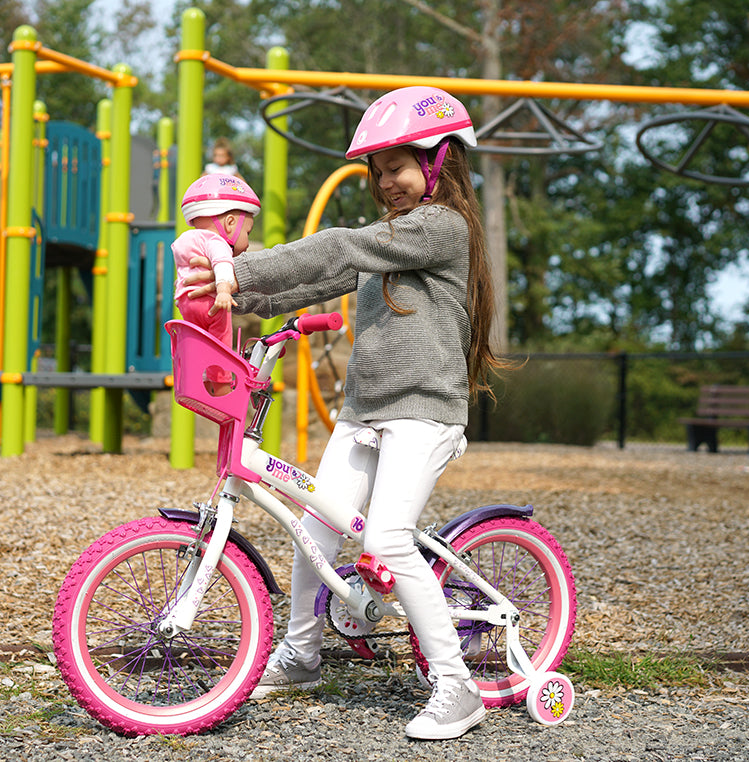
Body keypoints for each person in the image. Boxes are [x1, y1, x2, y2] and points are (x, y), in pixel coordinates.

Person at [182, 86, 503, 740]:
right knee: (315, 530)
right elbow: (309, 283)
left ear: (439, 161)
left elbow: (340, 248)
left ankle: (456, 686)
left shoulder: (441, 228)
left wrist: (240, 274)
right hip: (364, 412)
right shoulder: (390, 241)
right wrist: (226, 293)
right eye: (378, 172)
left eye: (399, 168)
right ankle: (301, 654)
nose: (387, 182)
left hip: (422, 413)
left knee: (384, 538)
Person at [172, 173, 261, 367]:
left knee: (196, 340)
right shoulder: (216, 241)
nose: (246, 243)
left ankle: (194, 375)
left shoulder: (184, 240)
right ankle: (220, 383)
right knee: (221, 340)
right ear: (230, 223)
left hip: (186, 302)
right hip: (211, 302)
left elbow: (185, 272)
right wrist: (223, 290)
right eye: (248, 232)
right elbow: (222, 264)